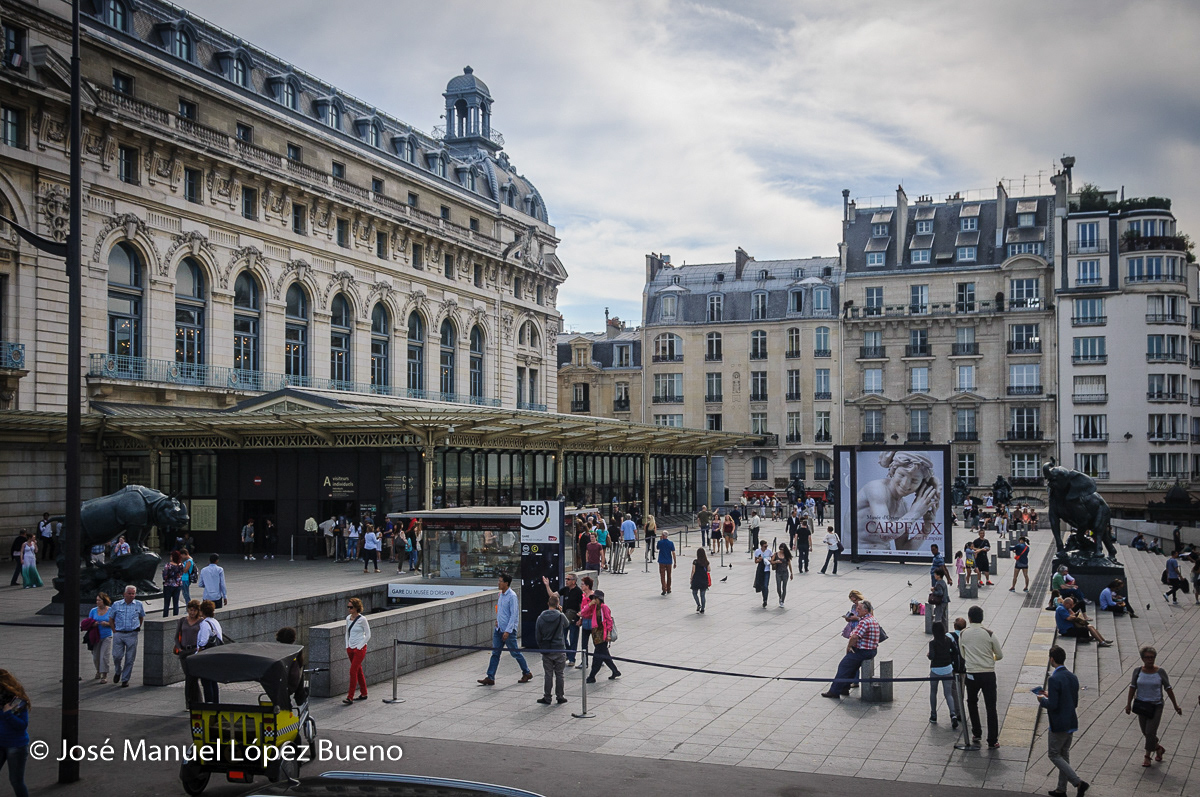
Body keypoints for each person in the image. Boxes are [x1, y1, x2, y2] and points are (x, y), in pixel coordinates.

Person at [856, 451, 941, 551]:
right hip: (859, 558)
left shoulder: (903, 507)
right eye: (901, 475)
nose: (905, 484)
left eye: (914, 480)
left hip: (882, 558)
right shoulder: (876, 489)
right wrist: (916, 513)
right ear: (893, 471)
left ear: (921, 484)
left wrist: (926, 529)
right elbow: (885, 533)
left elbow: (903, 549)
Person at [1034, 645, 1087, 797]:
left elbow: (1053, 705)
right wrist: (1051, 694)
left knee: (1053, 754)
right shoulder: (1072, 676)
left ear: (1052, 659)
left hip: (1058, 723)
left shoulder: (1054, 679)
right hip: (1071, 720)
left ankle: (1078, 782)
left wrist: (1041, 700)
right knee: (1064, 755)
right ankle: (1061, 789)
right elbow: (1073, 701)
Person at [1125, 645, 1183, 767]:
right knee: (1145, 732)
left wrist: (1175, 705)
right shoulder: (1137, 671)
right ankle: (1158, 748)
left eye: (1152, 657)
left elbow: (1168, 688)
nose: (1150, 660)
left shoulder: (1160, 672)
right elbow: (1132, 687)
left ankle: (1147, 756)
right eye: (1147, 657)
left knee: (1150, 731)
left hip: (1156, 705)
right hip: (1142, 705)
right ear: (1142, 658)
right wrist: (1128, 704)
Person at [959, 605, 1004, 748]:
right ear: (982, 618)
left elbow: (963, 654)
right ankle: (992, 740)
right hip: (988, 673)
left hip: (971, 673)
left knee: (972, 702)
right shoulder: (989, 634)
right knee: (991, 707)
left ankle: (976, 733)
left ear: (969, 618)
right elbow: (1000, 655)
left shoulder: (963, 634)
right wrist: (991, 659)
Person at [478, 573, 533, 686]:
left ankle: (526, 672)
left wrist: (508, 631)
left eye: (500, 581)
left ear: (506, 583)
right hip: (499, 629)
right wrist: (498, 620)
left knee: (515, 653)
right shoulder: (501, 595)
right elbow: (501, 610)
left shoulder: (512, 596)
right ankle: (490, 676)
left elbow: (514, 615)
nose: (498, 583)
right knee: (495, 653)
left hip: (508, 631)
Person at [821, 599, 881, 698]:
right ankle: (844, 688)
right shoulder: (871, 618)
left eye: (859, 609)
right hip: (871, 650)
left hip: (863, 651)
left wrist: (849, 647)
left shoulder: (865, 622)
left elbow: (855, 636)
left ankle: (834, 691)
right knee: (851, 668)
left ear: (866, 610)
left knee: (844, 666)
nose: (857, 610)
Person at [534, 593, 570, 706]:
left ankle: (547, 697)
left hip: (547, 649)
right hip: (559, 648)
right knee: (560, 674)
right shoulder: (560, 616)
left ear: (548, 603)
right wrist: (561, 611)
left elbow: (538, 635)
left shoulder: (541, 617)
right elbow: (567, 624)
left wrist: (541, 646)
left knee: (548, 674)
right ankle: (560, 696)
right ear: (558, 604)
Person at [0, 669, 31, 797]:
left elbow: (22, 726)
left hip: (16, 745)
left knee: (16, 781)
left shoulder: (17, 702)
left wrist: (8, 714)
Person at [543, 574, 583, 666]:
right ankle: (568, 653)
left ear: (574, 581)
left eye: (568, 579)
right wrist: (547, 585)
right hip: (565, 617)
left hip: (574, 618)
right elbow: (553, 596)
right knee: (562, 637)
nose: (566, 581)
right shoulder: (565, 589)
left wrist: (581, 618)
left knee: (573, 638)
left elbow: (581, 605)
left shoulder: (578, 591)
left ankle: (572, 658)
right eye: (566, 579)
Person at [111, 585, 146, 688]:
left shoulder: (139, 604)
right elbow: (111, 618)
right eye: (129, 593)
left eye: (133, 594)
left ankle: (125, 679)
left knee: (130, 658)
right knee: (117, 656)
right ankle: (118, 671)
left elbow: (141, 617)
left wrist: (138, 627)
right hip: (119, 633)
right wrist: (114, 631)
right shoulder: (116, 604)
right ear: (124, 594)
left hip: (132, 634)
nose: (131, 595)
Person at [927, 621, 959, 728]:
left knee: (933, 692)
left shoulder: (932, 643)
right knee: (948, 694)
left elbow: (931, 656)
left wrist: (928, 655)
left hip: (935, 669)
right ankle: (953, 714)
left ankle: (933, 715)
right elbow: (955, 652)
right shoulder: (948, 640)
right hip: (947, 669)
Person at [585, 590, 620, 683]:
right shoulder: (594, 607)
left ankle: (592, 676)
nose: (594, 600)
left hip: (602, 637)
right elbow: (584, 612)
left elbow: (609, 621)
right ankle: (615, 671)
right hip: (596, 636)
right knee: (605, 656)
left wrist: (608, 634)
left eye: (595, 598)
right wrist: (589, 604)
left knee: (597, 657)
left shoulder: (604, 607)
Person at [175, 600, 204, 706]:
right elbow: (176, 636)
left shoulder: (201, 622)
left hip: (194, 651)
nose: (192, 613)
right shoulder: (182, 620)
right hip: (184, 651)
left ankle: (192, 701)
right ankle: (194, 701)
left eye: (194, 610)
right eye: (190, 610)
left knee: (192, 677)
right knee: (189, 676)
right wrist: (179, 649)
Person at [342, 597, 371, 704]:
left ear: (356, 608)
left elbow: (368, 635)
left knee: (353, 671)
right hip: (350, 647)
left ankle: (350, 696)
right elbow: (347, 633)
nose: (349, 609)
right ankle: (364, 693)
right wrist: (347, 645)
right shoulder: (348, 618)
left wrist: (359, 646)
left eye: (351, 607)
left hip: (360, 648)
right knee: (358, 670)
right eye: (348, 607)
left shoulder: (362, 619)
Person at [195, 600, 223, 702]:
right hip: (216, 654)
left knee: (206, 682)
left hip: (207, 656)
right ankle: (216, 703)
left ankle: (209, 703)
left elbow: (203, 641)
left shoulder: (205, 624)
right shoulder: (215, 621)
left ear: (202, 611)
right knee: (213, 681)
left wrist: (197, 653)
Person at [87, 593, 114, 684]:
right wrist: (93, 624)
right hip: (96, 636)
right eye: (97, 600)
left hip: (107, 635)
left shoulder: (110, 610)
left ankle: (104, 675)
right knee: (96, 656)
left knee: (104, 656)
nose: (97, 602)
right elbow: (88, 622)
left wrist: (107, 624)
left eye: (99, 600)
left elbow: (115, 623)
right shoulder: (93, 610)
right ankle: (98, 670)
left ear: (104, 601)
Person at [575, 575, 595, 668]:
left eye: (583, 584)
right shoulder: (583, 596)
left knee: (596, 642)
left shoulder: (593, 596)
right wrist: (581, 619)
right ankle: (584, 662)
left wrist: (582, 614)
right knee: (584, 644)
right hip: (585, 620)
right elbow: (582, 607)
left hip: (592, 621)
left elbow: (592, 609)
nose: (581, 586)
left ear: (587, 586)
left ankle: (601, 658)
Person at [161, 551, 184, 617]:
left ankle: (165, 617)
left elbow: (165, 577)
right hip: (178, 585)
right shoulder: (181, 565)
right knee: (176, 603)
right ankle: (175, 616)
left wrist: (163, 574)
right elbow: (181, 574)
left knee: (166, 603)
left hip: (168, 585)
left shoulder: (168, 565)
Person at [751, 539, 773, 608]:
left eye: (767, 546)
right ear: (761, 546)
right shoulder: (757, 551)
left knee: (765, 585)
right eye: (765, 546)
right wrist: (759, 560)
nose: (766, 547)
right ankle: (764, 597)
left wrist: (770, 561)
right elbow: (755, 561)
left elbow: (772, 559)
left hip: (767, 570)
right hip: (760, 569)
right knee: (762, 584)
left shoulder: (769, 551)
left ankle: (765, 599)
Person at [772, 543, 794, 608]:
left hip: (785, 572)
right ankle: (780, 596)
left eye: (783, 549)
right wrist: (776, 561)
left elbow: (789, 564)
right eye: (781, 549)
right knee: (778, 587)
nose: (781, 551)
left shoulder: (786, 555)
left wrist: (791, 573)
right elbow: (771, 561)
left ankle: (782, 601)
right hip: (778, 572)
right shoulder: (776, 554)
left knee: (784, 587)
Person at [656, 529, 677, 595]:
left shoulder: (660, 542)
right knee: (669, 575)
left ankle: (664, 589)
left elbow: (658, 548)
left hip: (661, 561)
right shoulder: (671, 543)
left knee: (662, 576)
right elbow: (673, 553)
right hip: (669, 561)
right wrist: (675, 562)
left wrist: (660, 540)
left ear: (662, 535)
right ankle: (668, 588)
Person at [690, 548, 710, 613]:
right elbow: (709, 570)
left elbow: (693, 571)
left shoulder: (695, 562)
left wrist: (691, 578)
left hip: (696, 579)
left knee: (694, 593)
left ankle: (698, 604)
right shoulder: (706, 562)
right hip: (704, 579)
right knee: (702, 595)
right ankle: (703, 609)